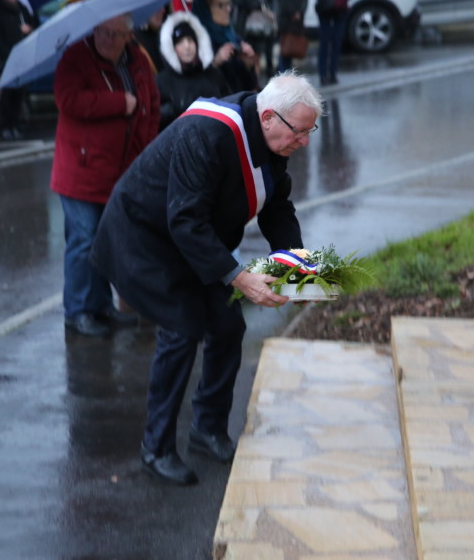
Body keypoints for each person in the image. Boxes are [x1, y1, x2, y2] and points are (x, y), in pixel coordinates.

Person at [91, 73, 323, 485]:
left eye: (310, 132)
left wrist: (298, 271)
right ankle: (156, 448)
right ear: (268, 117)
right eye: (300, 132)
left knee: (228, 324)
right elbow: (184, 220)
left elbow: (276, 207)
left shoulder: (271, 138)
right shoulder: (208, 132)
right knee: (181, 328)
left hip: (192, 240)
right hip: (142, 237)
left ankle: (207, 429)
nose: (304, 142)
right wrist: (240, 278)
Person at [51, 13, 160, 337]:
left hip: (120, 170)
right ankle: (77, 311)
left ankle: (100, 306)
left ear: (128, 36)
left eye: (115, 34)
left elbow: (151, 105)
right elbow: (68, 100)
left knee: (104, 241)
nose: (107, 40)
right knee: (83, 239)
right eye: (102, 32)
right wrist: (118, 103)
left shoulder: (138, 60)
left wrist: (146, 152)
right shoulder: (75, 57)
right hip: (80, 170)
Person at [155, 11, 229, 130]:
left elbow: (228, 105)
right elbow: (155, 119)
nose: (187, 46)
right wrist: (170, 111)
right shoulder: (162, 81)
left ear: (198, 43)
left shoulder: (213, 74)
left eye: (190, 40)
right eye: (180, 42)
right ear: (172, 48)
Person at [191, 0, 258, 94]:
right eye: (221, 5)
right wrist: (215, 63)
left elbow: (249, 86)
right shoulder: (195, 42)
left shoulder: (232, 36)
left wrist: (248, 65)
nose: (228, 9)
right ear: (206, 9)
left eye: (229, 4)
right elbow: (193, 85)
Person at [0, 0, 37, 139]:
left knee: (19, 92)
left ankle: (15, 123)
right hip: (7, 58)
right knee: (7, 93)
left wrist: (29, 29)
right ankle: (5, 124)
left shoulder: (22, 9)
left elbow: (33, 25)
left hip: (22, 56)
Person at [230, 0, 275, 78]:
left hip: (257, 24)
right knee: (244, 54)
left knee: (257, 53)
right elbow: (235, 0)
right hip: (241, 24)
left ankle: (256, 77)